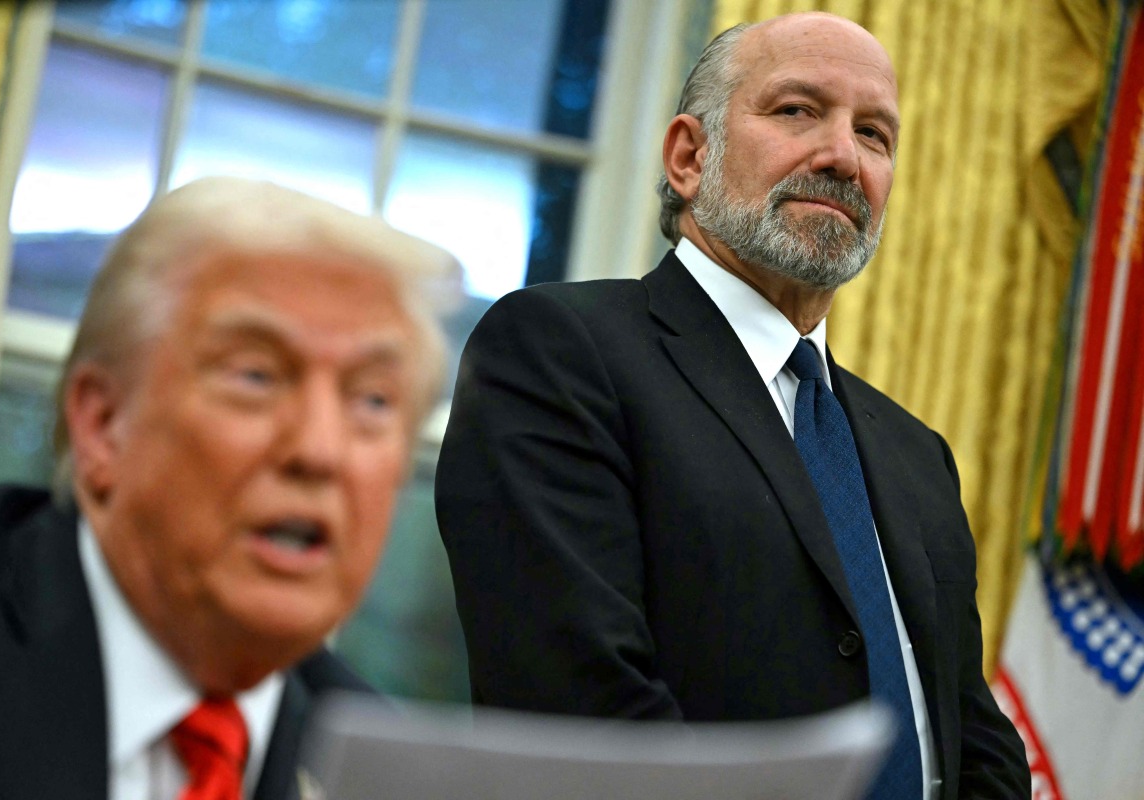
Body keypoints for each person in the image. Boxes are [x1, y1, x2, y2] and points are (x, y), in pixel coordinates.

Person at [434, 12, 1029, 800]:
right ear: (690, 155)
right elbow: (578, 702)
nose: (843, 157)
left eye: (876, 135)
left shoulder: (918, 455)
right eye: (796, 111)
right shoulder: (561, 352)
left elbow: (972, 737)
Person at [0, 176, 457, 799]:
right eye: (257, 376)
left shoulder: (391, 780)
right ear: (103, 424)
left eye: (373, 400)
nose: (320, 451)